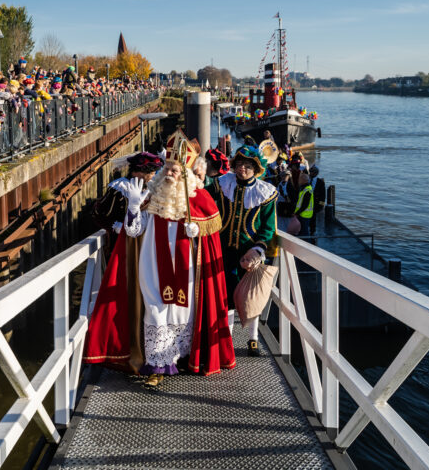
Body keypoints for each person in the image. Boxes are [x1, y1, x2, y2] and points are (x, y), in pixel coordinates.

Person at [123, 131, 234, 384]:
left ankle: (180, 358)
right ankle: (157, 367)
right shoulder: (151, 196)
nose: (171, 173)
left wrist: (197, 232)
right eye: (168, 169)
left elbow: (213, 229)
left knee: (183, 313)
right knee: (154, 309)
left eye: (176, 170)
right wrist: (132, 208)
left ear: (185, 174)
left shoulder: (198, 198)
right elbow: (134, 231)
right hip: (152, 265)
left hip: (187, 268)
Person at [84, 152, 165, 374]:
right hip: (123, 250)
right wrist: (115, 227)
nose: (150, 175)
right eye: (146, 171)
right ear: (135, 171)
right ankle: (122, 349)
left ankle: (151, 350)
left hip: (149, 251)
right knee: (123, 294)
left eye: (152, 171)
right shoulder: (120, 188)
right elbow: (99, 214)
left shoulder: (157, 189)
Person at [205, 145, 277, 357]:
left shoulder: (265, 193)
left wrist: (257, 250)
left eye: (247, 166)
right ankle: (226, 339)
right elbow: (201, 198)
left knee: (251, 297)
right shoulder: (222, 184)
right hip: (224, 251)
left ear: (256, 168)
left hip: (250, 253)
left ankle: (253, 339)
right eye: (238, 165)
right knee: (226, 296)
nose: (242, 169)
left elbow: (268, 227)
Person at [294, 172, 314, 236]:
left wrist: (297, 213)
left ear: (304, 180)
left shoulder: (307, 190)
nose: (298, 180)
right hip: (302, 214)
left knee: (304, 233)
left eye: (300, 179)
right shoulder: (304, 188)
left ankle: (308, 244)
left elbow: (305, 204)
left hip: (305, 215)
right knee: (301, 232)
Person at [310, 165, 326, 234]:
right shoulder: (306, 179)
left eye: (313, 172)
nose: (311, 173)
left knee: (313, 220)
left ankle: (312, 232)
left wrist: (320, 206)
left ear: (316, 173)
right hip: (306, 203)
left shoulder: (320, 182)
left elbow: (323, 195)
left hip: (315, 205)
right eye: (310, 171)